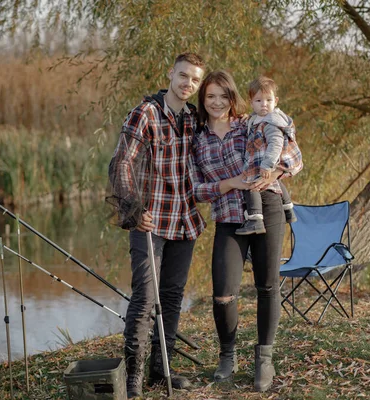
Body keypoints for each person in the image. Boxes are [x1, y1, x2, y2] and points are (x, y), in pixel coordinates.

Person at [190, 70, 302, 392]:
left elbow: (295, 156)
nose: (217, 102)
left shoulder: (250, 123)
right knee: (223, 293)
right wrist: (229, 183)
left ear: (233, 98)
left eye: (223, 96)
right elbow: (196, 189)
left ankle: (264, 358)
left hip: (267, 208)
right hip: (228, 217)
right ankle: (228, 355)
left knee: (267, 286)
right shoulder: (197, 139)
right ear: (203, 100)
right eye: (210, 96)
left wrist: (276, 171)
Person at [108, 52, 207, 399]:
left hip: (184, 221)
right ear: (171, 73)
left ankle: (159, 370)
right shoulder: (146, 113)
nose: (188, 84)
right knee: (146, 298)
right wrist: (135, 209)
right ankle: (134, 373)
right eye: (183, 76)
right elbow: (122, 163)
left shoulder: (194, 117)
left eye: (194, 80)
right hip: (150, 220)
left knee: (172, 296)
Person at [235, 76, 300, 235]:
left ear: (275, 101)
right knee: (274, 181)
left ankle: (255, 219)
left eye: (268, 100)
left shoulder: (271, 122)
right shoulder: (257, 119)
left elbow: (276, 144)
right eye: (258, 101)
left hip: (263, 163)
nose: (264, 104)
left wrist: (267, 165)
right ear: (251, 102)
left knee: (251, 185)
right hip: (263, 162)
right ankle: (288, 208)